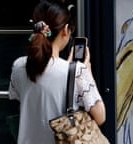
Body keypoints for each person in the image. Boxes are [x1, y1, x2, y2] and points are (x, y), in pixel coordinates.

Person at [8, 0, 106, 144]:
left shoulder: (18, 66)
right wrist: (86, 72)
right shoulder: (76, 71)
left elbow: (23, 98)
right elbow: (100, 117)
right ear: (66, 29)